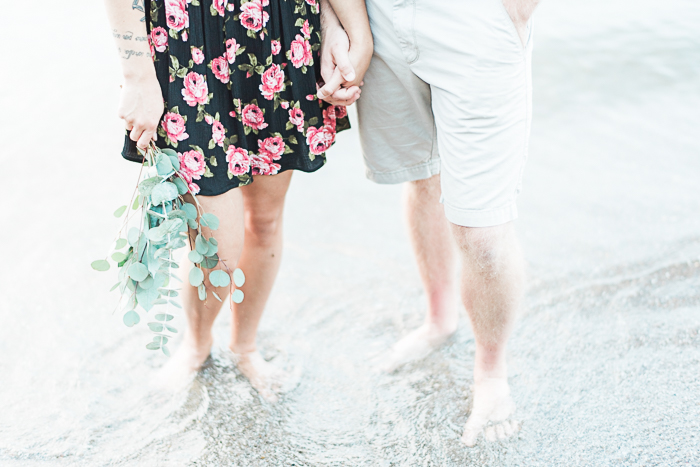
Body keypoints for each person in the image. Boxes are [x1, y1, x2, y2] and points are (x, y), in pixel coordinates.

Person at [103, 0, 357, 401]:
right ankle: (197, 344)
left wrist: (331, 25)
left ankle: (245, 345)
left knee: (266, 221)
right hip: (187, 40)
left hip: (278, 33)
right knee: (216, 246)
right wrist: (137, 75)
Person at [318, 0, 541, 447]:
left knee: (483, 234)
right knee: (422, 176)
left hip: (473, 19)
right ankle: (439, 319)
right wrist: (332, 19)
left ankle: (491, 375)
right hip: (374, 14)